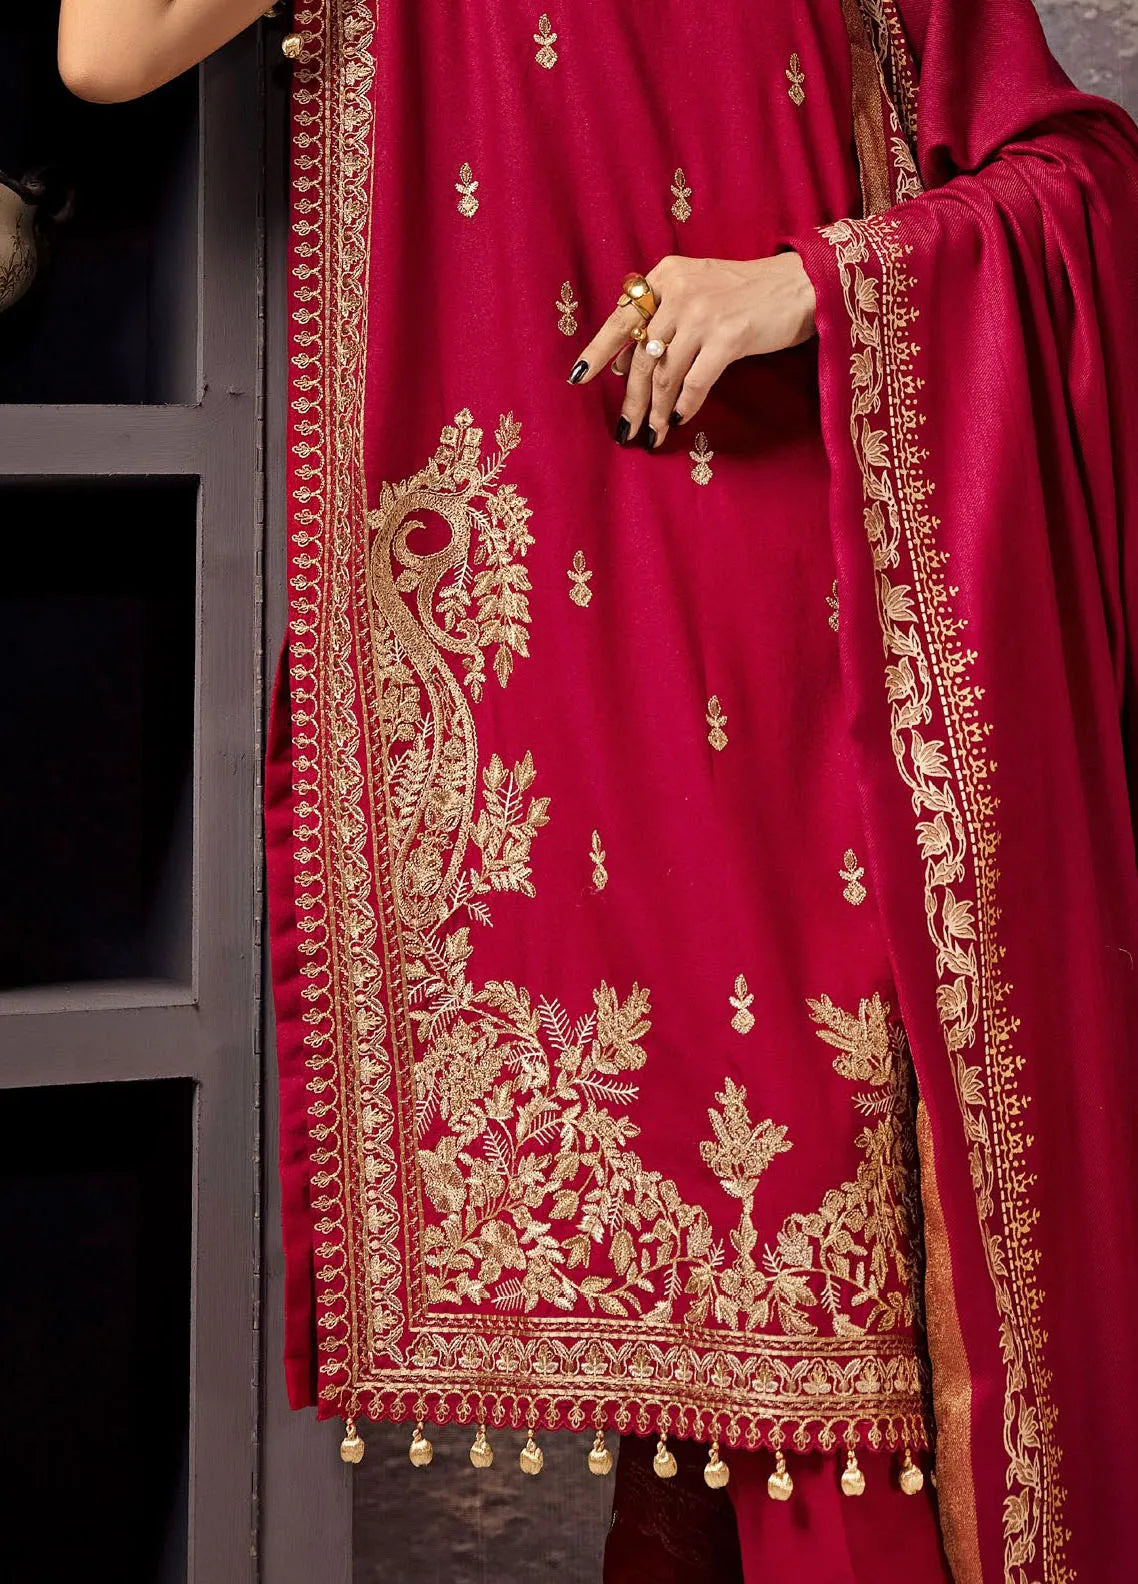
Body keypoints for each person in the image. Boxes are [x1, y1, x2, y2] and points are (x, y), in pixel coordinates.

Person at [63, 3, 1138, 1580]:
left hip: (845, 680)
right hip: (593, 705)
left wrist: (810, 282)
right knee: (731, 1390)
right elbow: (108, 46)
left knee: (853, 1378)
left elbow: (1073, 174)